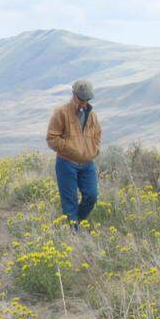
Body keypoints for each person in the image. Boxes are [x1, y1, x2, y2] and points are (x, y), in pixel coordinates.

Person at [45, 79, 102, 229]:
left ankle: (75, 222)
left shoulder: (92, 115)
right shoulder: (61, 112)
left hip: (87, 164)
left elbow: (97, 134)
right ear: (74, 95)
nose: (84, 102)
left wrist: (93, 149)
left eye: (87, 99)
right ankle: (73, 236)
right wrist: (70, 149)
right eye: (81, 98)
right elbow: (52, 138)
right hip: (66, 163)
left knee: (92, 196)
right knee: (69, 202)